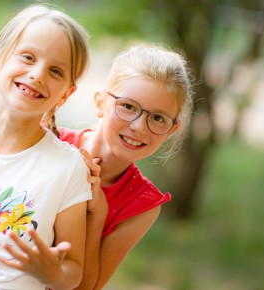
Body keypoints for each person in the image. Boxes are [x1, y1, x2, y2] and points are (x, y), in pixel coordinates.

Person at [0, 4, 92, 289]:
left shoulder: (67, 166)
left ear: (67, 93)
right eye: (27, 57)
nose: (38, 75)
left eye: (55, 71)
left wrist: (53, 273)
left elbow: (73, 269)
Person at [51, 44, 194, 289]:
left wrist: (98, 215)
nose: (139, 127)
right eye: (128, 106)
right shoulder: (50, 143)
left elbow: (87, 287)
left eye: (158, 118)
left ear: (172, 130)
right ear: (100, 102)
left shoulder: (142, 206)